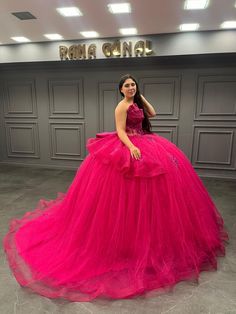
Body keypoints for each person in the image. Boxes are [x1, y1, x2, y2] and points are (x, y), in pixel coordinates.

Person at [3, 74, 228, 302]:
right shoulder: (121, 106)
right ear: (120, 89)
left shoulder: (136, 101)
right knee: (123, 194)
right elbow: (120, 131)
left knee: (152, 190)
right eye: (126, 86)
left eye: (133, 84)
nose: (130, 88)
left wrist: (140, 96)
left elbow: (152, 113)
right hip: (130, 144)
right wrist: (131, 147)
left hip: (146, 142)